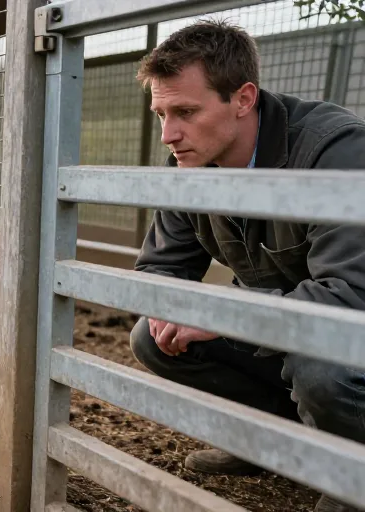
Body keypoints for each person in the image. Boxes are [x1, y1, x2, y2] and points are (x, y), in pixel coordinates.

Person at [129, 19, 365, 512]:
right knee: (153, 337)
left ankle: (352, 480)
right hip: (276, 327)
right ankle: (270, 443)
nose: (169, 134)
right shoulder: (188, 165)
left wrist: (223, 312)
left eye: (186, 112)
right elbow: (159, 269)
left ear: (242, 98)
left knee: (320, 366)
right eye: (160, 113)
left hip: (347, 336)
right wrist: (173, 305)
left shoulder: (336, 152)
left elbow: (352, 298)